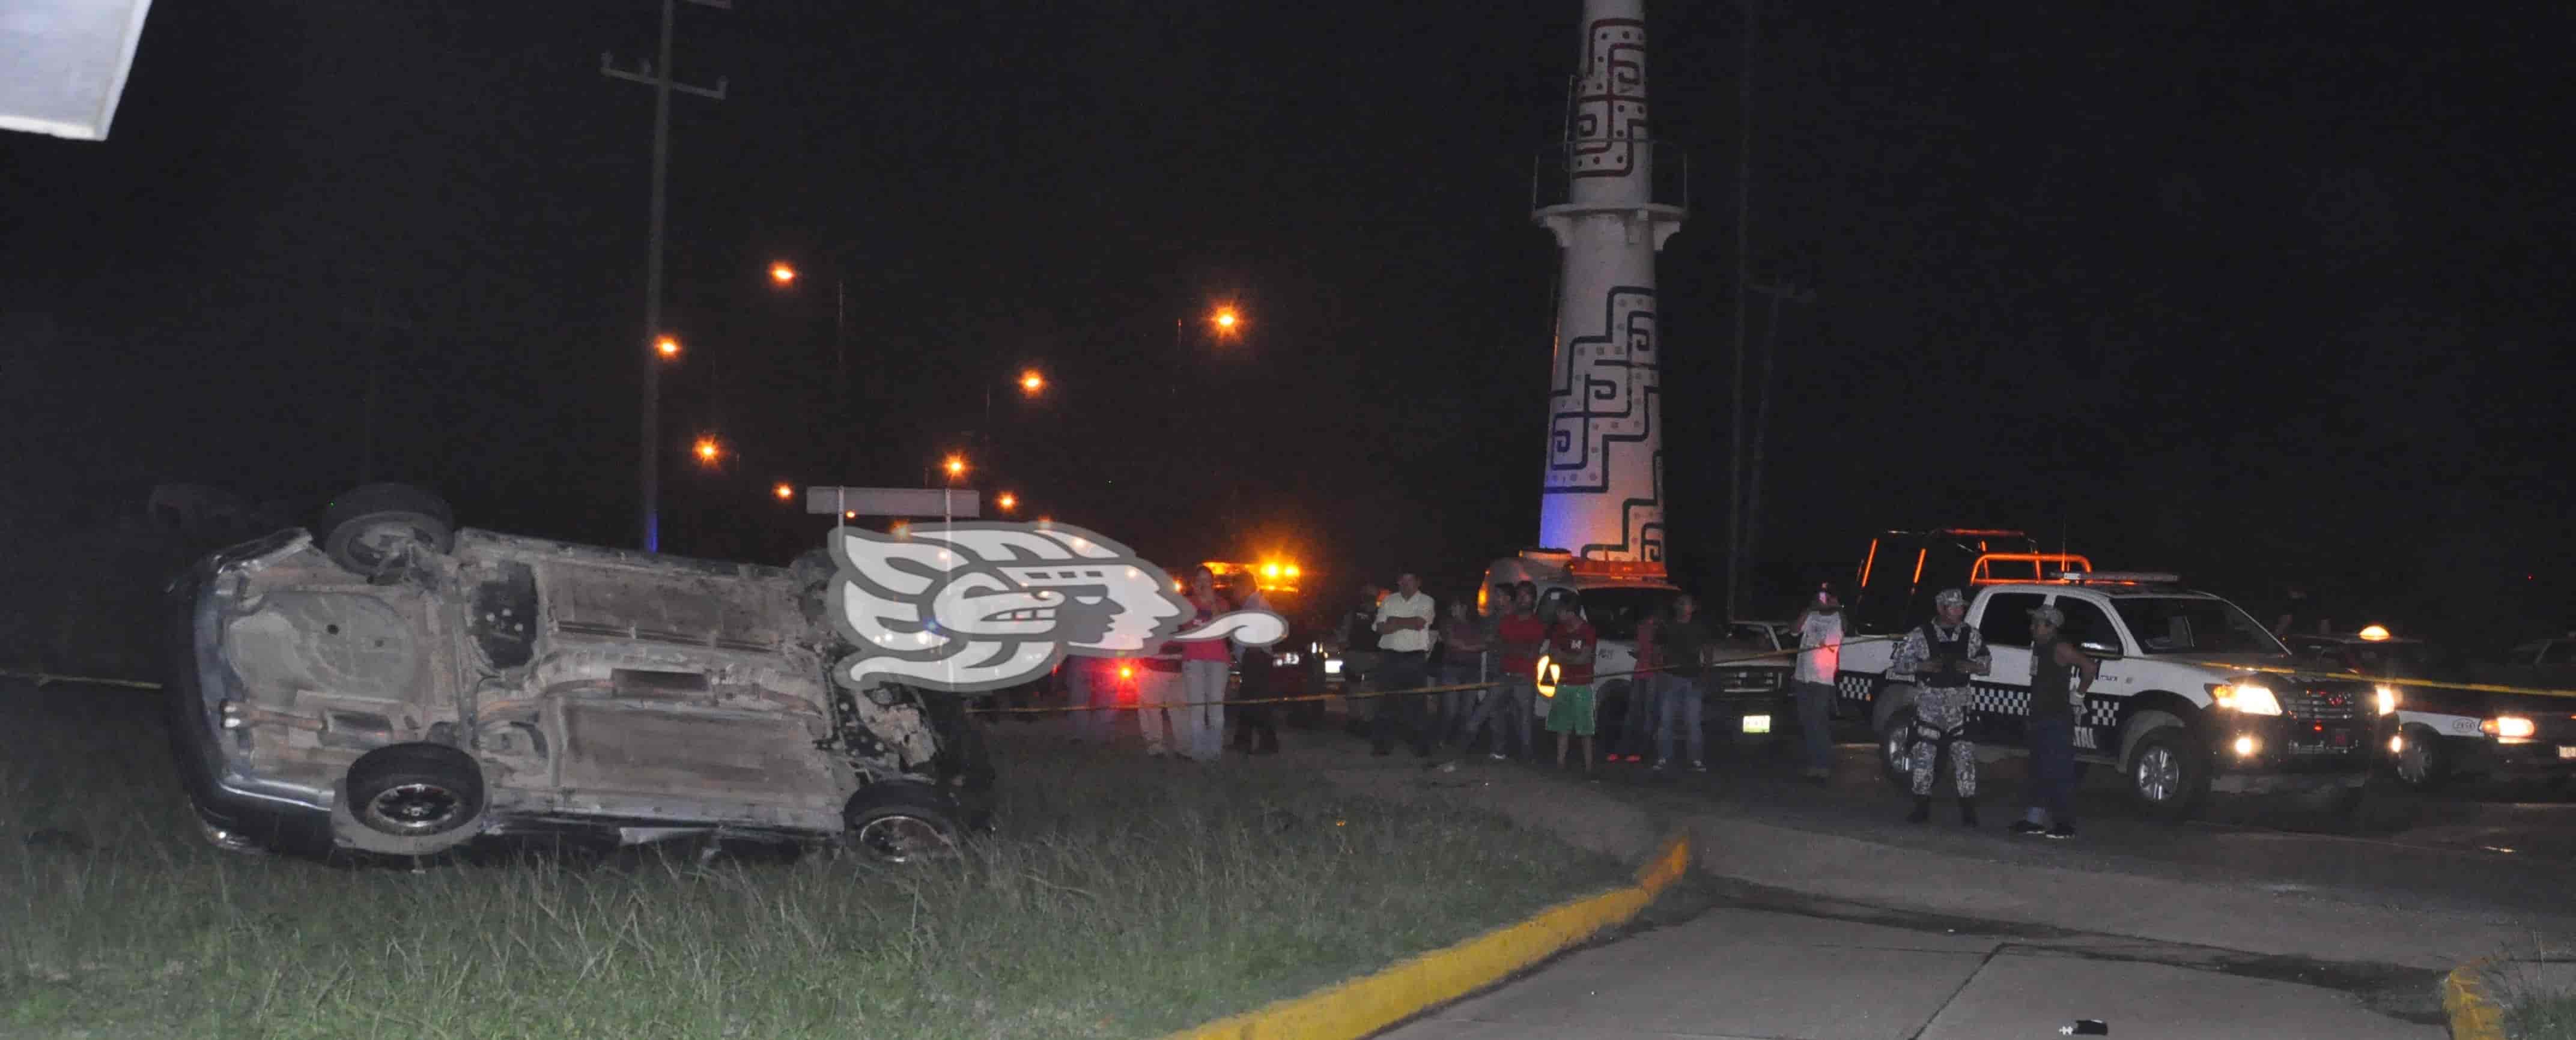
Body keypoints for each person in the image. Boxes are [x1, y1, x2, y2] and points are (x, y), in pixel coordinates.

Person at [1890, 588, 1991, 824]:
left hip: (1959, 703)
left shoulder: (1971, 634)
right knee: (1924, 753)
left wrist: (1972, 666)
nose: (1960, 611)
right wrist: (1922, 666)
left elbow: (1986, 664)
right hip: (1930, 702)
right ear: (1941, 609)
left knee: (1964, 755)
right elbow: (1899, 664)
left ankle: (1968, 809)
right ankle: (1921, 805)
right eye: (1955, 607)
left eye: (1961, 607)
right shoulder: (1920, 635)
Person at [2013, 603, 2098, 839]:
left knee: (2059, 772)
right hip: (2041, 717)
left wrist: (2079, 694)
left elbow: (2089, 666)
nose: (2032, 627)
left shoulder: (2059, 647)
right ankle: (2034, 820)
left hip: (2056, 720)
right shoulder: (2039, 647)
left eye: (2037, 623)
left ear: (2049, 627)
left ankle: (2065, 824)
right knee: (2038, 770)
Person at [1459, 582, 1542, 759]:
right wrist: (1514, 648)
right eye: (1520, 595)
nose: (1522, 598)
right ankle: (1468, 746)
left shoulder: (1536, 623)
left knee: (1524, 719)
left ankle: (1526, 755)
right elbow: (1498, 645)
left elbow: (1531, 653)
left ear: (1534, 599)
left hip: (1524, 676)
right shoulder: (1508, 621)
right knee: (1487, 709)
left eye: (1526, 595)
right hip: (1505, 673)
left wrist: (1508, 648)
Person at [1369, 572, 1438, 756]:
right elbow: (1380, 627)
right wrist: (1404, 623)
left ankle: (1420, 746)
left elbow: (1419, 623)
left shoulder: (1426, 601)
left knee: (1416, 703)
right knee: (1385, 701)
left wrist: (1394, 622)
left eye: (1409, 580)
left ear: (1418, 582)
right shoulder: (1389, 600)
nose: (1405, 584)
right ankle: (1382, 745)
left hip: (1414, 658)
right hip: (1389, 657)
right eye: (1401, 580)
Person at [1173, 565, 1233, 763]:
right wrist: (1199, 601)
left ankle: (1215, 752)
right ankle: (1199, 753)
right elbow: (1185, 624)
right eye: (1200, 580)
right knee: (1196, 707)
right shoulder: (1186, 603)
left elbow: (1223, 627)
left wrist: (1211, 602)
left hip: (1218, 660)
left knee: (1216, 705)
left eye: (1207, 580)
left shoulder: (1223, 603)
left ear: (1213, 584)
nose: (1203, 584)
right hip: (1194, 659)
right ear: (1193, 583)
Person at [1789, 584, 1847, 783]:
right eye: (1819, 597)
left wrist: (1839, 608)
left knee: (1819, 723)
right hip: (1802, 676)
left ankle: (1823, 766)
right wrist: (1808, 609)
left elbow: (1847, 629)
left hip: (1822, 679)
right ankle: (1813, 765)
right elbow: (1794, 631)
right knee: (1807, 722)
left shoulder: (1837, 619)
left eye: (1825, 598)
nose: (1821, 600)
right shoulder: (1811, 616)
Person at [1540, 591, 1600, 773]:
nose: (1557, 614)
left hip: (1582, 685)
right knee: (1562, 728)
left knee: (1586, 730)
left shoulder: (1588, 631)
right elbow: (1553, 655)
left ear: (1571, 612)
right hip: (1564, 684)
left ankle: (1589, 768)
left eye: (1560, 611)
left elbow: (1584, 659)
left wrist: (1564, 657)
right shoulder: (1559, 630)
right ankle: (1560, 765)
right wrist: (1573, 658)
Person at [1652, 595, 1712, 773]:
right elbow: (1657, 651)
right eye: (1679, 603)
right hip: (1670, 678)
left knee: (1693, 721)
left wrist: (1705, 674)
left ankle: (1695, 759)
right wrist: (1659, 670)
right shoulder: (1666, 627)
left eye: (1685, 603)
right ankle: (1664, 757)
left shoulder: (1699, 628)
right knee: (1666, 721)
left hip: (1692, 679)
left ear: (1693, 608)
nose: (1681, 606)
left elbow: (1708, 652)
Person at [1228, 571, 1283, 755]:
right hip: (1256, 657)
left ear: (1244, 587)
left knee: (1257, 703)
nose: (1234, 593)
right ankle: (1243, 741)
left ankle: (1268, 744)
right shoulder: (1257, 603)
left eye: (1235, 588)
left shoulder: (1255, 605)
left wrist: (1243, 655)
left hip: (1256, 656)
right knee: (1249, 701)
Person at [1610, 603, 1663, 764]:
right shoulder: (1643, 628)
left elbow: (1658, 653)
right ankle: (1624, 749)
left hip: (1651, 673)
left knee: (1646, 713)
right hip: (1641, 671)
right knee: (1634, 712)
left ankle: (1640, 751)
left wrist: (1652, 658)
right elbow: (1645, 649)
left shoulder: (1659, 630)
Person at [1435, 599, 1489, 748]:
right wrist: (1473, 647)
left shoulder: (1477, 625)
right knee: (1450, 709)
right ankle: (1442, 738)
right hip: (1452, 669)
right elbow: (1451, 641)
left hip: (1472, 670)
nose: (1452, 609)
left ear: (1464, 607)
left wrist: (1465, 647)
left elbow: (1486, 643)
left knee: (1467, 710)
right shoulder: (1448, 623)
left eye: (1455, 606)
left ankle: (1460, 743)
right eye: (1451, 607)